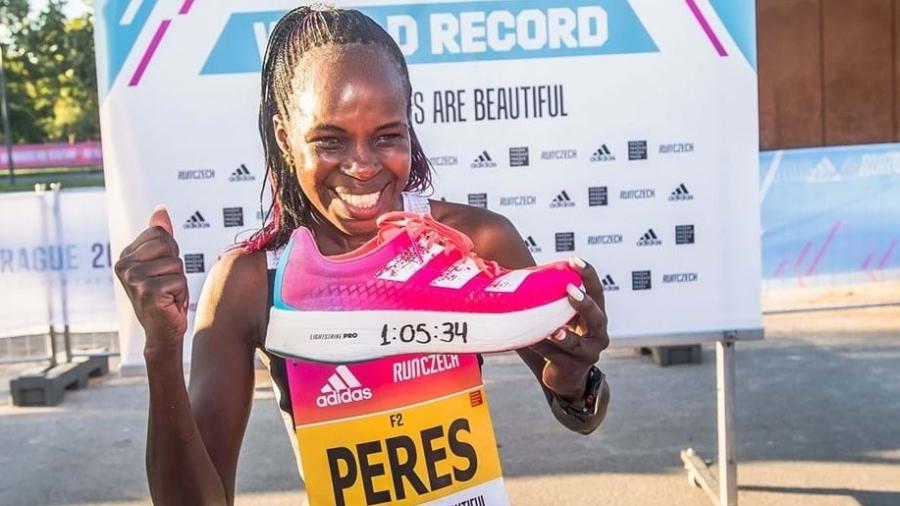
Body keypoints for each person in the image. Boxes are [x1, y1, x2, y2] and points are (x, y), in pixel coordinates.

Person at [114, 6, 610, 505]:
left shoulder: (477, 241)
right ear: (286, 140)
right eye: (329, 140)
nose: (362, 167)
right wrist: (161, 352)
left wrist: (572, 379)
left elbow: (584, 416)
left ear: (409, 127)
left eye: (387, 136)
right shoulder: (253, 281)